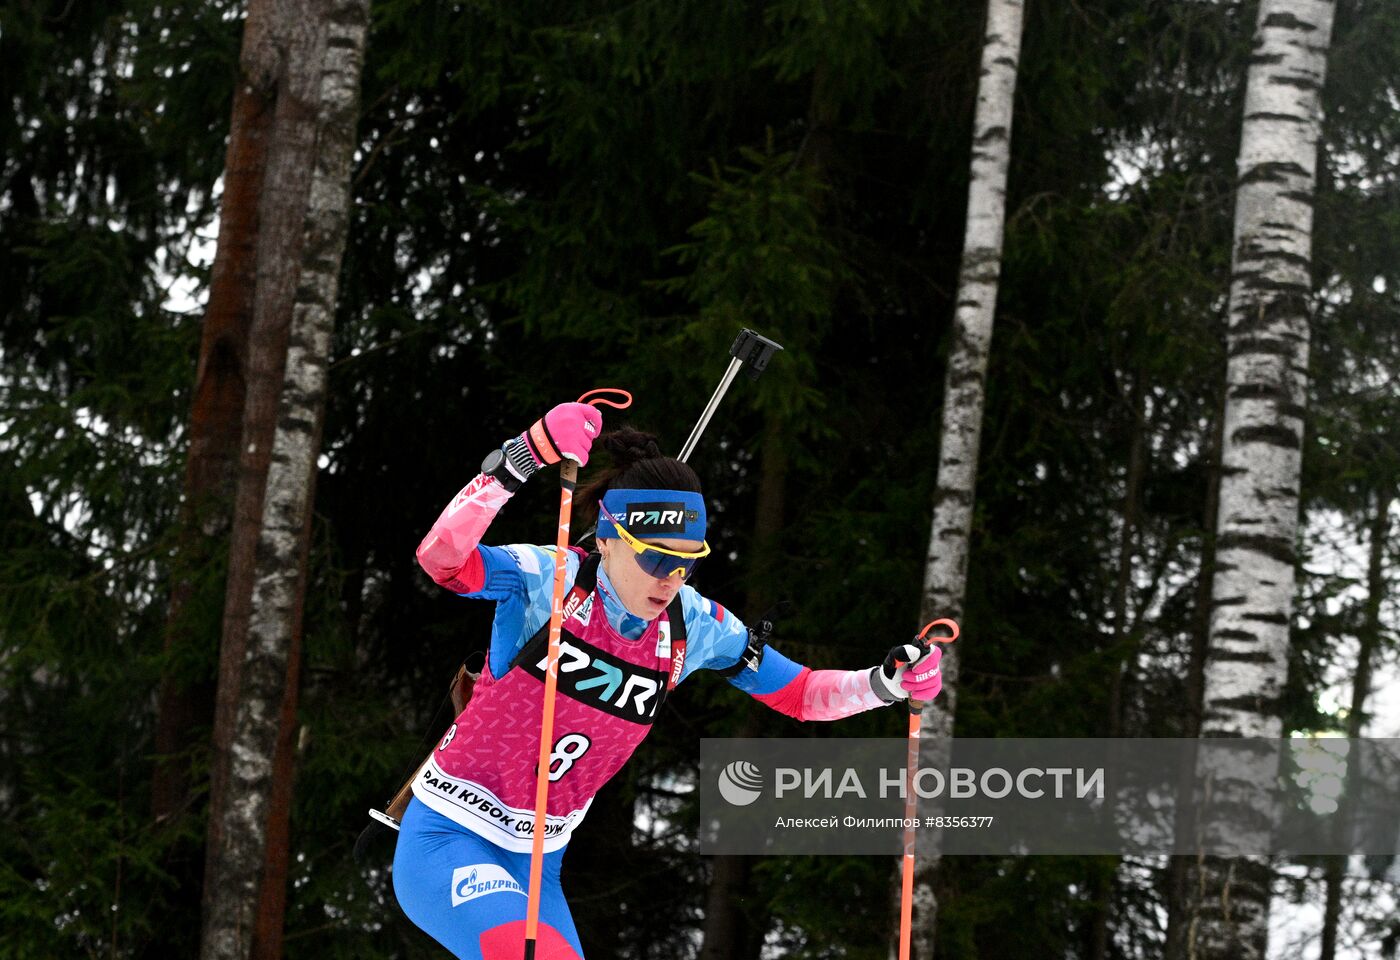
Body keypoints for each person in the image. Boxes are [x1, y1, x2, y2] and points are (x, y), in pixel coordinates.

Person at [392, 402, 943, 960]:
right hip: (448, 837)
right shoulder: (547, 582)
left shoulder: (693, 625)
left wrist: (887, 683)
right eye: (657, 559)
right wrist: (523, 455)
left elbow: (799, 694)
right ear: (607, 538)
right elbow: (443, 561)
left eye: (686, 563)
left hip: (539, 866)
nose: (671, 580)